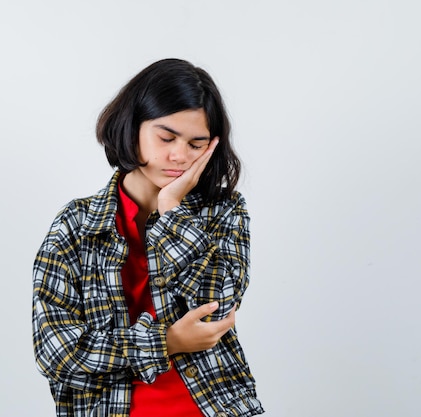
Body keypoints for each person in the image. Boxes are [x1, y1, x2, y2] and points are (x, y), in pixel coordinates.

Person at [32, 58, 263, 417]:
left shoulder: (224, 211)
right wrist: (165, 343)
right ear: (132, 127)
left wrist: (172, 210)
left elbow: (214, 310)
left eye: (196, 144)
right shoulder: (76, 225)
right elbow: (56, 353)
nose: (179, 156)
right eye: (166, 137)